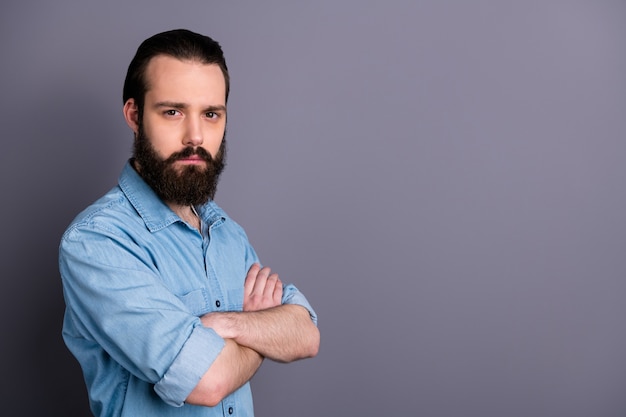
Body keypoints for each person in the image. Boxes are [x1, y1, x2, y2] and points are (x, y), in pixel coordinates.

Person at [59, 29, 320, 417]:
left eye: (211, 114)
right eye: (173, 112)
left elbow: (305, 334)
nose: (195, 136)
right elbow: (206, 380)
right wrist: (259, 330)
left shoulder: (227, 232)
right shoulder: (97, 241)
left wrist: (225, 325)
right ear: (134, 114)